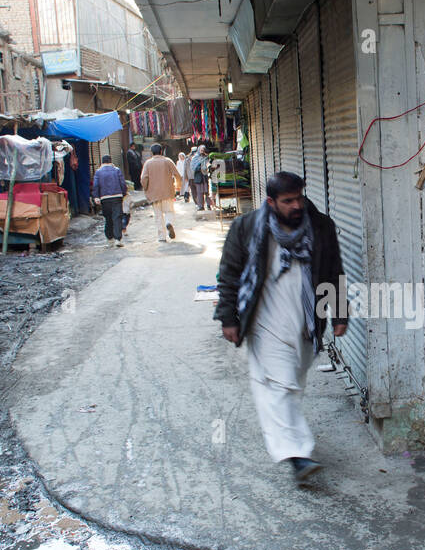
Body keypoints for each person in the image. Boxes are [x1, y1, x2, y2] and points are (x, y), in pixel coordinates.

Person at [214, 171, 348, 486]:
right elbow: (229, 274)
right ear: (271, 202)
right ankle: (299, 456)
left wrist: (340, 314)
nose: (296, 205)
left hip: (305, 319)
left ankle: (290, 439)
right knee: (279, 385)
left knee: (292, 382)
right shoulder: (246, 228)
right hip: (263, 318)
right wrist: (228, 317)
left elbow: (333, 272)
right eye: (288, 201)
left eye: (300, 197)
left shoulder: (320, 226)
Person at [140, 143, 182, 242]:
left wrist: (146, 189)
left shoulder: (147, 163)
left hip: (154, 194)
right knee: (169, 212)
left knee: (158, 216)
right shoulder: (167, 161)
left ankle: (162, 237)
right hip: (167, 192)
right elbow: (177, 175)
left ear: (152, 153)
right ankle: (169, 223)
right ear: (161, 151)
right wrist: (178, 186)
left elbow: (143, 179)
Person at [90, 154, 127, 248]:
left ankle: (110, 239)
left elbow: (96, 185)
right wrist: (124, 193)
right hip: (117, 197)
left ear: (102, 162)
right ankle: (118, 239)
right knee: (117, 217)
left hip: (104, 198)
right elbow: (122, 183)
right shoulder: (117, 170)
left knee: (108, 219)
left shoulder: (98, 172)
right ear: (111, 161)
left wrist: (96, 197)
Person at [188, 144, 211, 211]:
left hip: (205, 177)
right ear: (198, 150)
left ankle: (209, 205)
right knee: (199, 193)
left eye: (203, 150)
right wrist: (200, 167)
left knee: (207, 192)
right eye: (201, 150)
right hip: (198, 177)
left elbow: (208, 165)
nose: (202, 151)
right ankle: (201, 206)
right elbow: (193, 168)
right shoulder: (195, 158)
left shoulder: (206, 157)